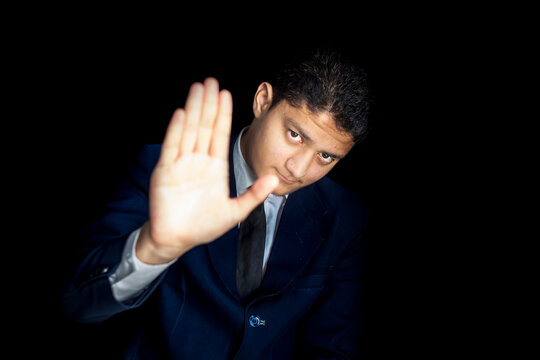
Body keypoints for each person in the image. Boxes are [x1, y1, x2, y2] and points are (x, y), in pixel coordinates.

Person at [62, 48, 371, 359]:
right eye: (294, 134)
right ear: (263, 101)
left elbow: (333, 347)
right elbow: (76, 302)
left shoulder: (345, 217)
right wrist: (154, 248)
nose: (299, 169)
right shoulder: (166, 168)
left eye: (326, 156)